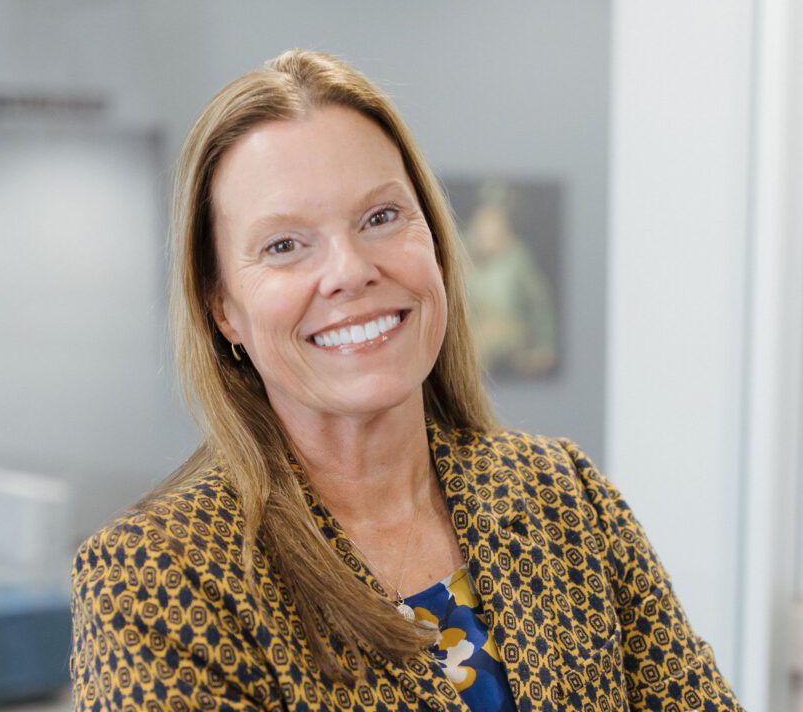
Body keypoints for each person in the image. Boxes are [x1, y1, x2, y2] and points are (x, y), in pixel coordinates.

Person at [70, 50, 743, 712]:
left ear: (436, 241)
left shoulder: (563, 496)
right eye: (284, 246)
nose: (350, 270)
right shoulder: (155, 579)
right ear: (224, 310)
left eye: (380, 218)